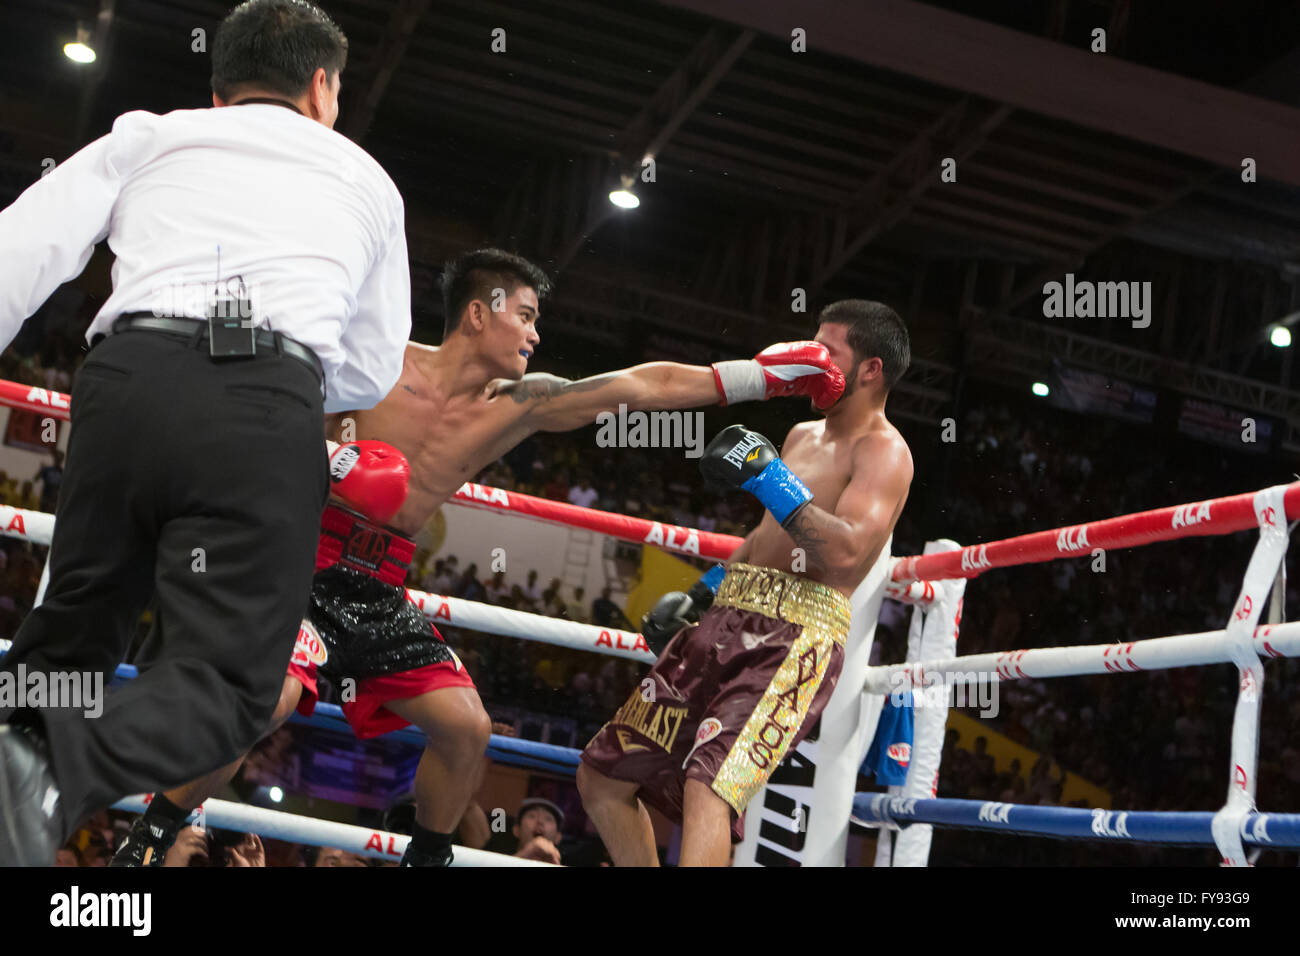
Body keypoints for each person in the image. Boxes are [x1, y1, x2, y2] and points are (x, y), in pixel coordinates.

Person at [113, 246, 843, 867]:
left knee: (467, 730)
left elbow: (642, 385)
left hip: (379, 583)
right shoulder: (377, 362)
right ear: (478, 312)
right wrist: (329, 461)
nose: (534, 335)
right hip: (298, 561)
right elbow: (262, 401)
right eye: (524, 315)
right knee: (266, 699)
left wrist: (763, 376)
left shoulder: (518, 404)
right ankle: (156, 826)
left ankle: (426, 857)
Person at [0, 0, 411, 866]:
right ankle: (45, 763)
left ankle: (22, 761)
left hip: (124, 382)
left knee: (73, 632)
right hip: (263, 403)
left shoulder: (152, 134)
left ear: (219, 89)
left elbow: (18, 252)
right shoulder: (367, 179)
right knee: (228, 685)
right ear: (323, 85)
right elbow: (371, 369)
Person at [578, 299, 914, 866]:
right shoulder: (802, 434)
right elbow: (764, 540)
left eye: (828, 351)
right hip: (730, 612)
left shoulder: (885, 451)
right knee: (603, 774)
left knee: (709, 787)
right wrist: (703, 591)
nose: (810, 359)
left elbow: (847, 554)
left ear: (870, 369)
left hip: (796, 637)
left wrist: (769, 478)